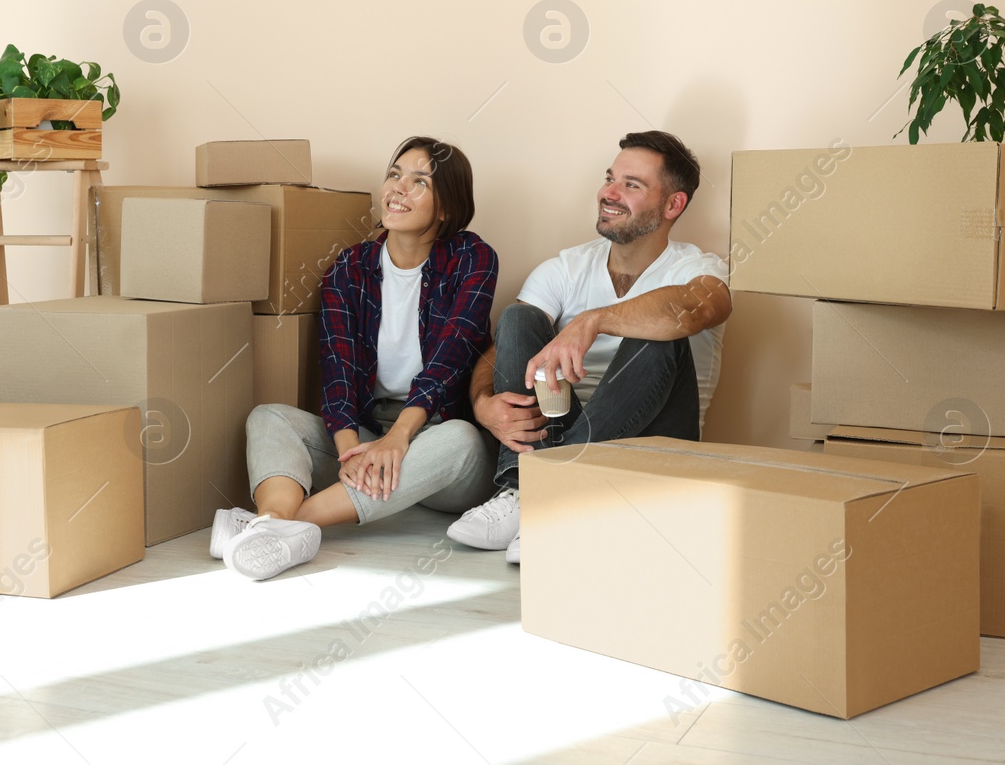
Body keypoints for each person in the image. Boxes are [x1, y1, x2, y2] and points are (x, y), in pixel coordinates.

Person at [213, 136, 499, 580]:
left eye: (419, 181)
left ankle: (281, 526)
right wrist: (350, 450)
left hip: (434, 443)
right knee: (269, 417)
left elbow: (450, 360)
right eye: (394, 174)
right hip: (367, 437)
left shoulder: (473, 258)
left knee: (462, 438)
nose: (397, 188)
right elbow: (337, 372)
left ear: (445, 208)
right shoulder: (349, 268)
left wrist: (400, 436)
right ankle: (272, 520)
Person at [447, 130, 732, 562]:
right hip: (562, 428)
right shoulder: (566, 267)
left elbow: (694, 310)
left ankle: (549, 491)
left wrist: (593, 320)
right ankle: (529, 494)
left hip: (653, 445)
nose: (608, 193)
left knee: (662, 331)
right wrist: (483, 402)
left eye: (631, 185)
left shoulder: (700, 268)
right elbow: (503, 346)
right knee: (518, 318)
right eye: (609, 178)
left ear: (673, 204)